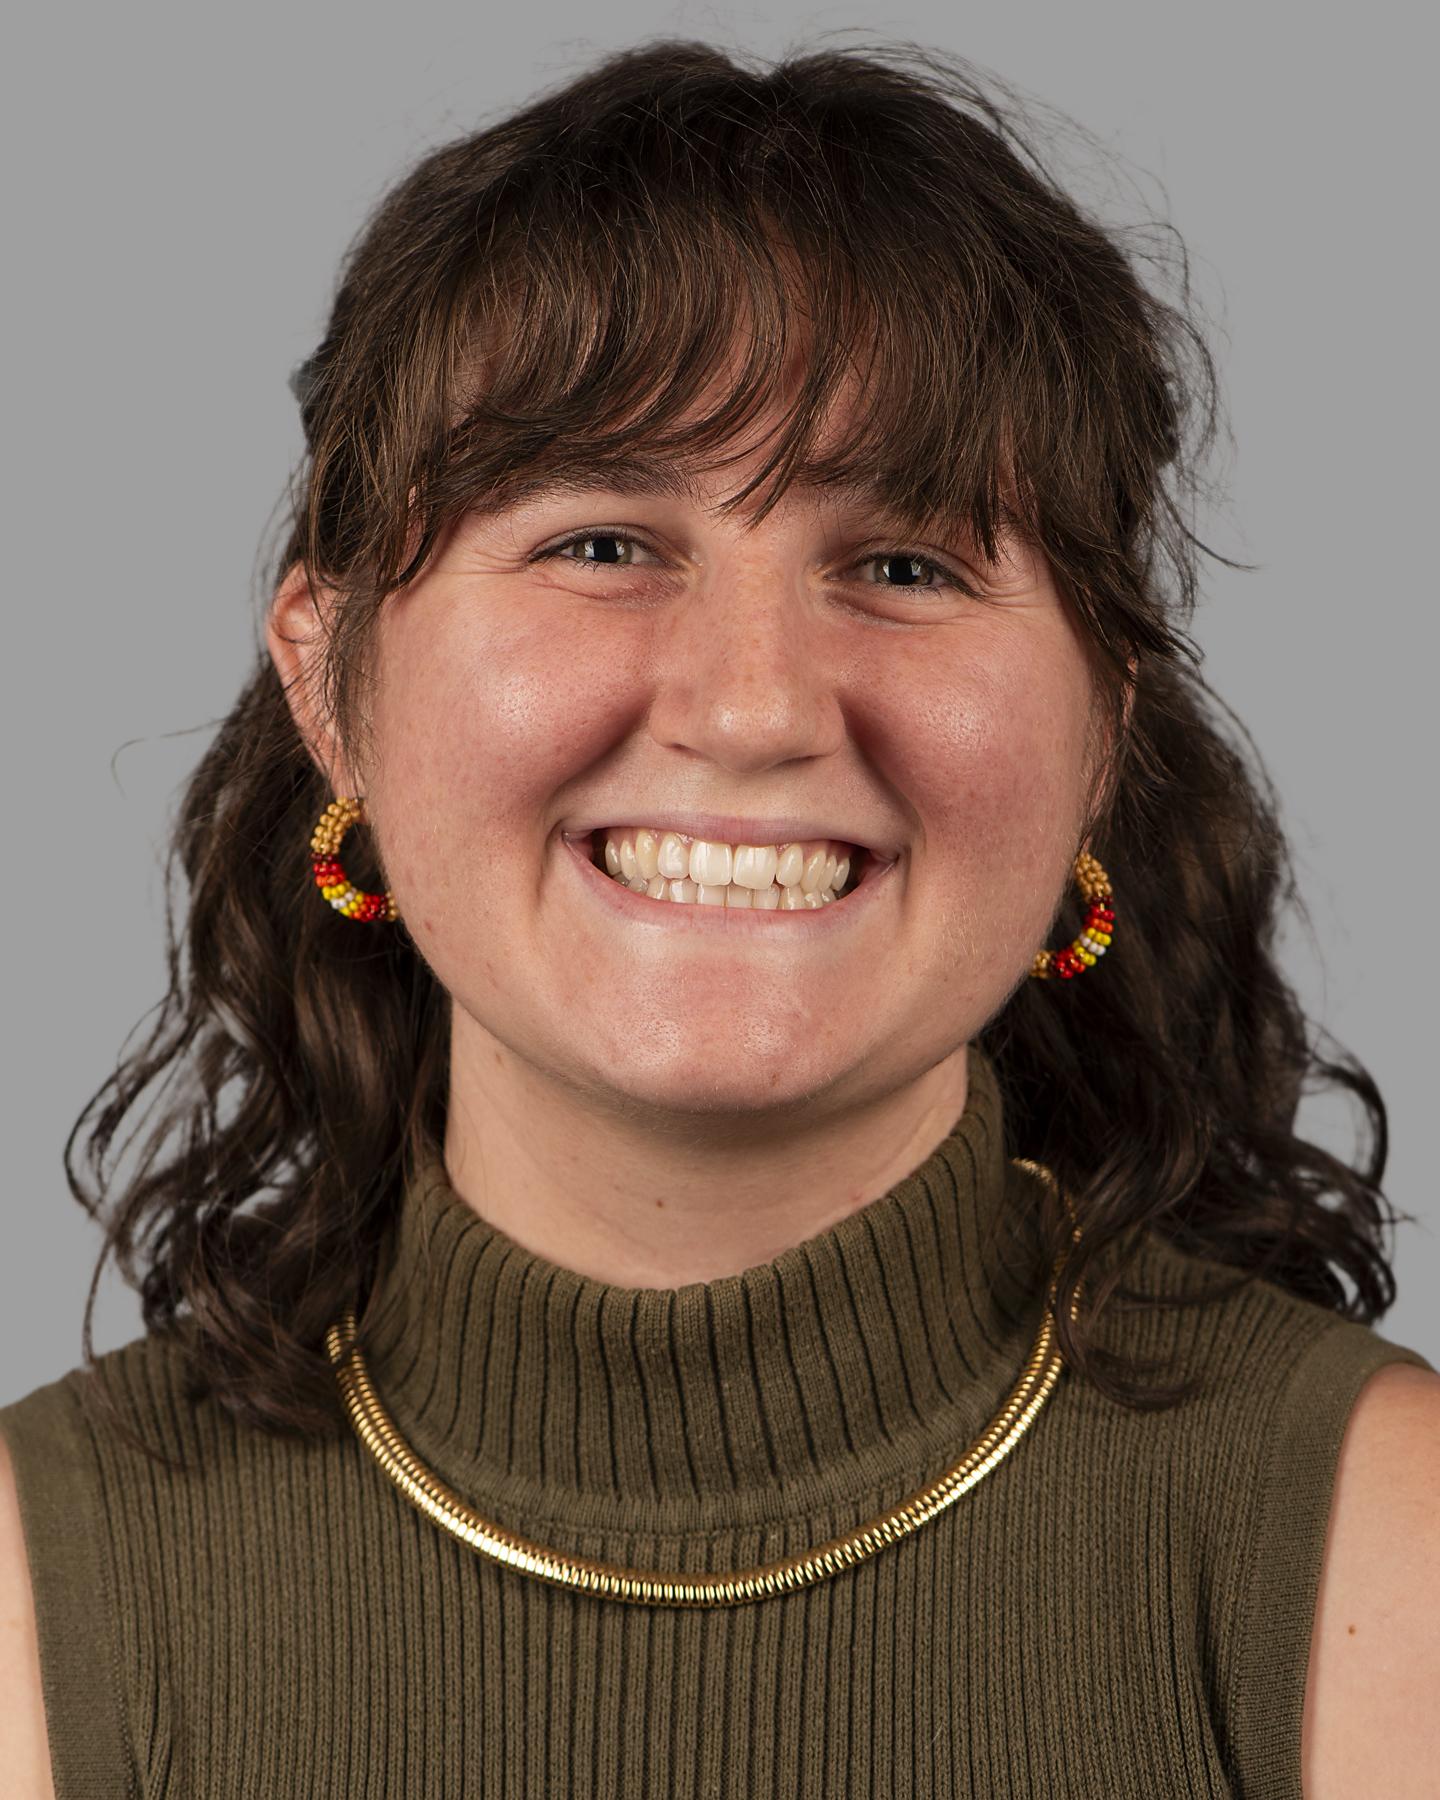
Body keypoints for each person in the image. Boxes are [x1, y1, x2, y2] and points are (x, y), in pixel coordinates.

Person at [2, 36, 1435, 1799]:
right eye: (604, 543)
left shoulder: (1390, 1557)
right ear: (329, 683)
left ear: (1102, 740)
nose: (756, 708)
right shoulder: (28, 1601)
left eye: (905, 567)